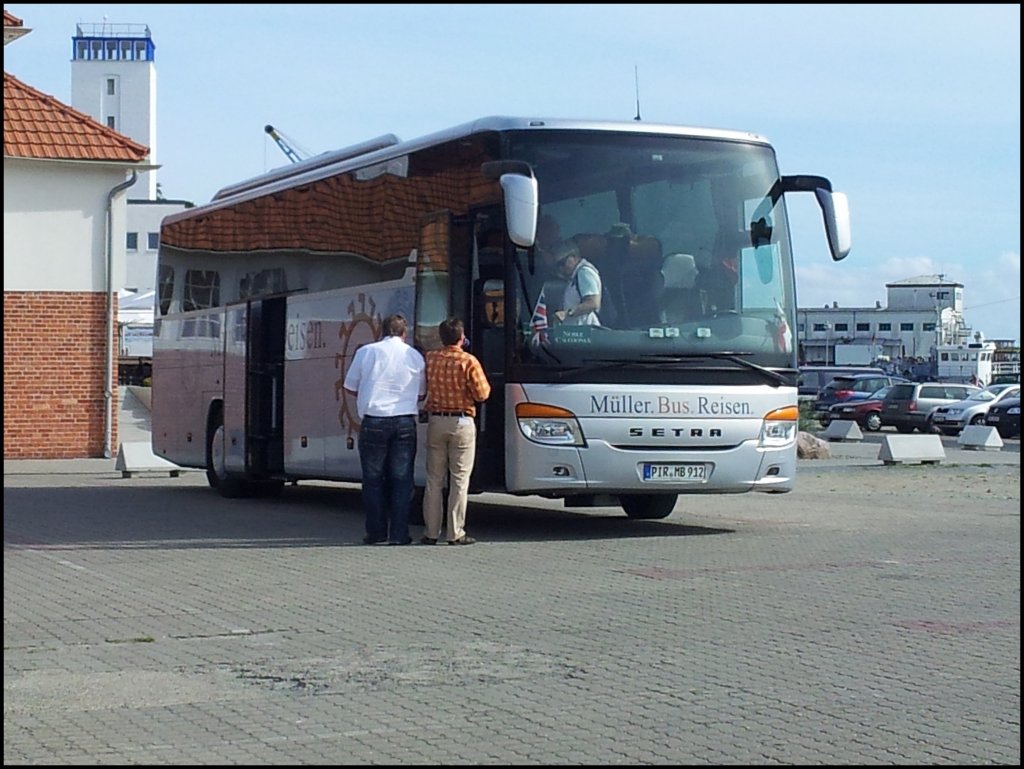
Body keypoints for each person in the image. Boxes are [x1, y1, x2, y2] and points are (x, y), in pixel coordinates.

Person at [343, 314, 426, 546]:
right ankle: (399, 534)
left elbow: (350, 387)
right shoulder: (415, 356)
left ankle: (376, 532)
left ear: (380, 331)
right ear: (404, 332)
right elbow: (421, 394)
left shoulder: (366, 352)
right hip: (404, 422)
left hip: (374, 420)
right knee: (402, 479)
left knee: (373, 479)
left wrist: (370, 394)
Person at [421, 316, 491, 546]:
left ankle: (431, 532)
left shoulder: (430, 359)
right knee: (459, 480)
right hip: (461, 422)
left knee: (434, 479)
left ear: (441, 338)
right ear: (462, 338)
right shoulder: (469, 361)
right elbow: (483, 394)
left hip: (436, 421)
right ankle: (455, 532)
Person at [551, 240, 602, 326]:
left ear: (574, 256)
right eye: (558, 266)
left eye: (562, 263)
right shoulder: (574, 276)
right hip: (575, 334)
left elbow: (592, 303)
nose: (561, 268)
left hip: (585, 334)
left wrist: (566, 313)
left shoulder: (584, 272)